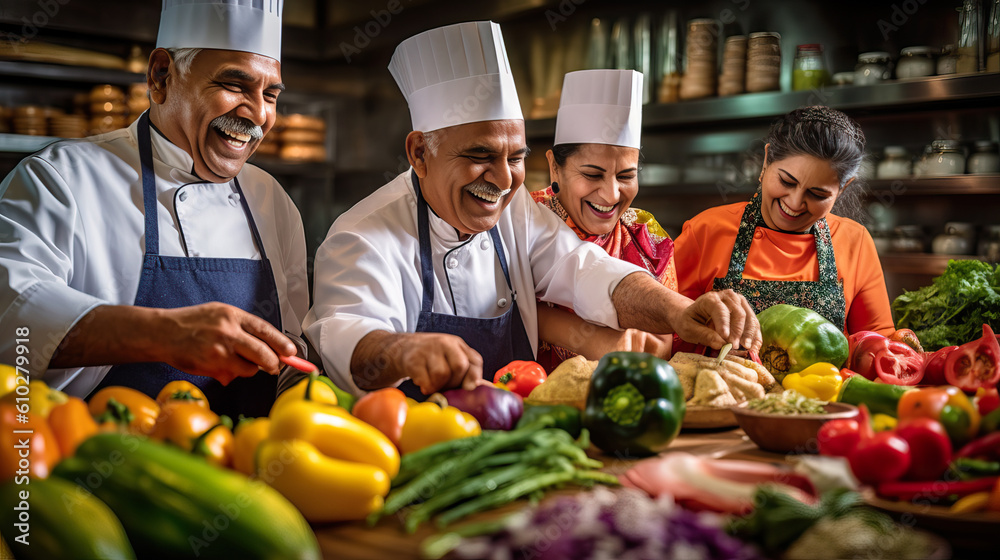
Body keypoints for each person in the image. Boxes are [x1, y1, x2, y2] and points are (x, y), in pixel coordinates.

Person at [303, 21, 760, 399]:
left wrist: (678, 312)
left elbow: (584, 267)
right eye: (480, 155)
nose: (503, 181)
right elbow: (345, 335)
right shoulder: (362, 235)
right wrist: (401, 350)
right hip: (410, 453)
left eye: (515, 158)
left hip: (516, 444)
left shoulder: (515, 210)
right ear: (420, 153)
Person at [0, 0, 308, 418]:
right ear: (160, 75)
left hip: (248, 465)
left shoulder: (273, 201)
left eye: (270, 94)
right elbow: (10, 317)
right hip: (93, 461)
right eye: (234, 86)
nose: (257, 114)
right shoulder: (60, 179)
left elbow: (292, 352)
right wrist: (163, 334)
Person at [673, 106, 894, 336]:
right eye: (787, 181)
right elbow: (662, 329)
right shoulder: (706, 231)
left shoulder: (855, 242)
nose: (796, 203)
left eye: (817, 194)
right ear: (767, 160)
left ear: (841, 189)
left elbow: (877, 343)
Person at [531, 69, 677, 370]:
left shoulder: (648, 237)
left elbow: (663, 341)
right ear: (554, 168)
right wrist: (599, 340)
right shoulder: (524, 220)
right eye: (591, 175)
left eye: (626, 176)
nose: (611, 195)